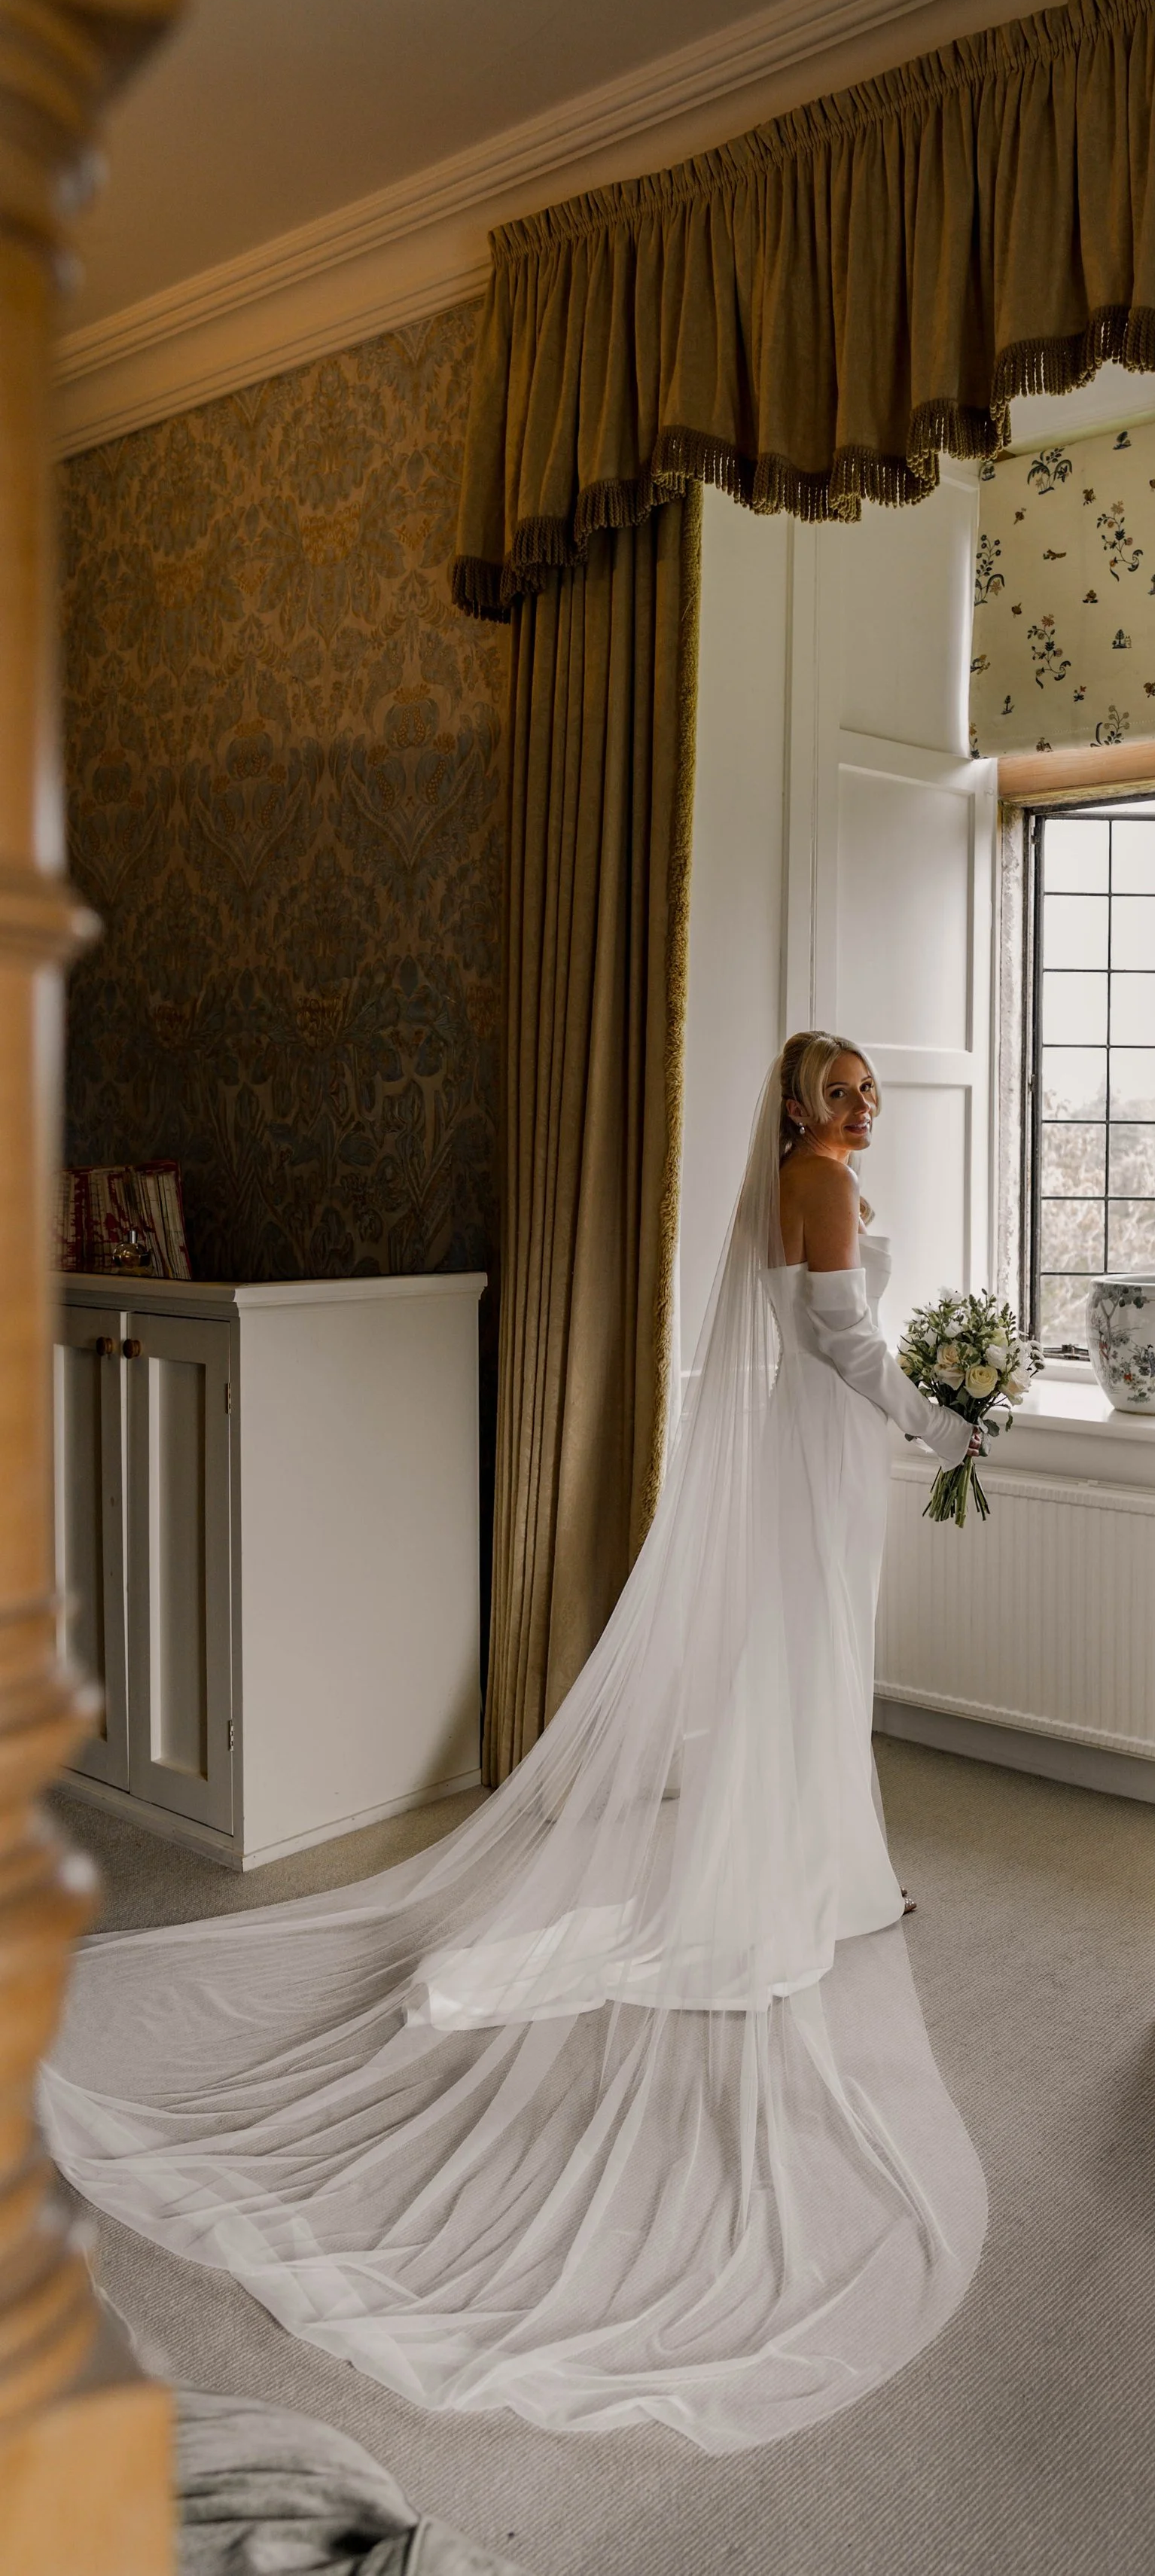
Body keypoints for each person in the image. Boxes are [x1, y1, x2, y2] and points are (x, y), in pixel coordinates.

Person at [42, 1035, 986, 2450]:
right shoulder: (818, 1179)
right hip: (831, 1447)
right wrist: (943, 1421)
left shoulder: (807, 1176)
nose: (866, 1103)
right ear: (799, 1104)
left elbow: (823, 1332)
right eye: (842, 1086)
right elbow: (844, 1343)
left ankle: (831, 1863)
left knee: (812, 1666)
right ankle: (804, 1872)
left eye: (868, 1084)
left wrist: (921, 1413)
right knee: (811, 1662)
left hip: (821, 1452)